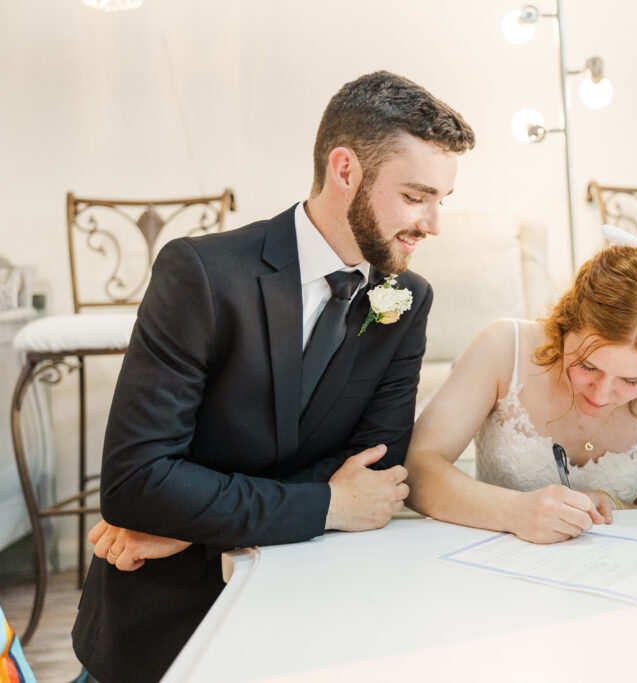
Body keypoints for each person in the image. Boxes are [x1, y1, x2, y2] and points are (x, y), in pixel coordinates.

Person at [71, 71, 474, 682]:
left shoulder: (406, 299)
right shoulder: (201, 274)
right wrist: (326, 503)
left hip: (315, 621)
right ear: (345, 171)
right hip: (166, 630)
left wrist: (191, 524)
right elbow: (137, 484)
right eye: (417, 197)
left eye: (442, 199)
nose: (434, 224)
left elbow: (377, 471)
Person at [405, 230, 637, 544]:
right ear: (565, 323)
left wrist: (613, 506)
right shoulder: (503, 347)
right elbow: (416, 468)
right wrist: (515, 511)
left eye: (631, 381)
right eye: (588, 366)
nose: (601, 394)